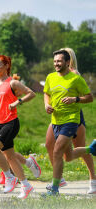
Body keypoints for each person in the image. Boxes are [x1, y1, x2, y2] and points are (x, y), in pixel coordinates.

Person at [0, 52, 41, 196]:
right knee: (10, 157)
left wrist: (17, 102)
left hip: (10, 122)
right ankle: (26, 185)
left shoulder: (12, 82)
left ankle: (9, 177)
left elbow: (31, 93)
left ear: (6, 66)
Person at [43, 49, 96, 196]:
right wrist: (46, 105)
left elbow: (90, 97)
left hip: (72, 119)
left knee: (57, 151)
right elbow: (46, 93)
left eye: (59, 61)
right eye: (54, 61)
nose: (56, 64)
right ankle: (91, 149)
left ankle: (55, 189)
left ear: (68, 62)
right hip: (56, 120)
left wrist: (75, 99)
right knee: (69, 155)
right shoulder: (50, 77)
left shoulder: (75, 78)